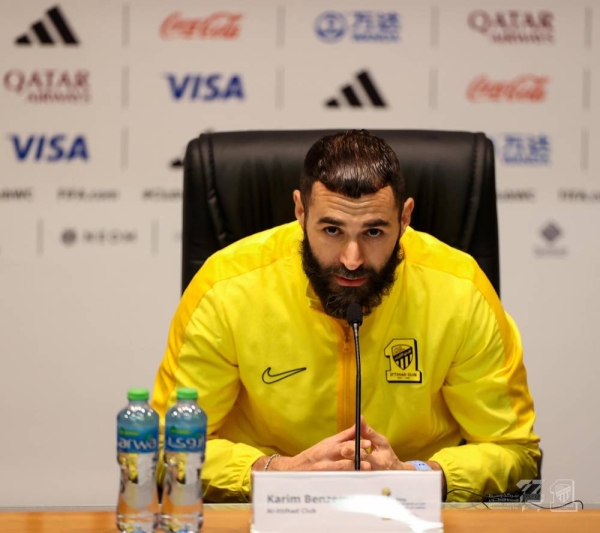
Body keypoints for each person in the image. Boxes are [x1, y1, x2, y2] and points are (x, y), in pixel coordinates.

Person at [151, 129, 541, 503]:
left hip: (406, 516)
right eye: (332, 230)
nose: (351, 260)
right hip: (269, 516)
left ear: (405, 218)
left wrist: (419, 477)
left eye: (373, 232)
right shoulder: (225, 288)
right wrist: (272, 472)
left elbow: (514, 450)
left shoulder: (461, 290)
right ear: (301, 212)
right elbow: (168, 447)